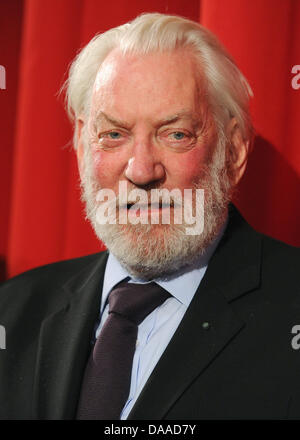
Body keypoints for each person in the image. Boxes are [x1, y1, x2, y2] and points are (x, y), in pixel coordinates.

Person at [0, 12, 299, 420]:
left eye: (175, 134)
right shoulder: (11, 312)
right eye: (114, 135)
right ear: (84, 148)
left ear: (233, 153)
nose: (141, 171)